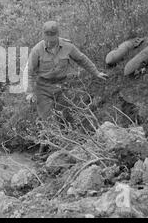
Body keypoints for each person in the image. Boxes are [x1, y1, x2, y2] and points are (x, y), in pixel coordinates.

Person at [26, 21, 108, 154]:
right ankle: (43, 150)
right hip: (43, 88)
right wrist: (30, 93)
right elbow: (29, 72)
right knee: (47, 119)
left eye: (53, 36)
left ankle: (63, 148)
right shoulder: (37, 50)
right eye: (47, 36)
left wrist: (96, 72)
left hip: (62, 86)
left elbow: (82, 59)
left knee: (64, 117)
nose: (50, 40)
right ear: (43, 35)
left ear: (57, 34)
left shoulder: (68, 46)